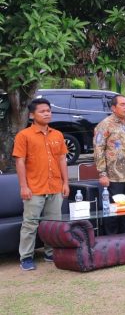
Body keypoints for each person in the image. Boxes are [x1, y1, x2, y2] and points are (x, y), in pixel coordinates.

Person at [14, 98, 69, 271]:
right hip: (34, 188)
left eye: (48, 111)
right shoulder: (24, 136)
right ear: (32, 115)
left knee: (54, 223)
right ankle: (26, 257)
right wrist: (24, 186)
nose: (47, 113)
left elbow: (62, 159)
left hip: (55, 187)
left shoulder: (57, 134)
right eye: (42, 111)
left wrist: (66, 183)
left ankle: (50, 253)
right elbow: (20, 162)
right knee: (30, 224)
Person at [94, 94, 125, 235]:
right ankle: (112, 239)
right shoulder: (105, 124)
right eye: (122, 104)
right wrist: (102, 173)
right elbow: (98, 149)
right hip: (114, 175)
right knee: (114, 209)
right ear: (113, 108)